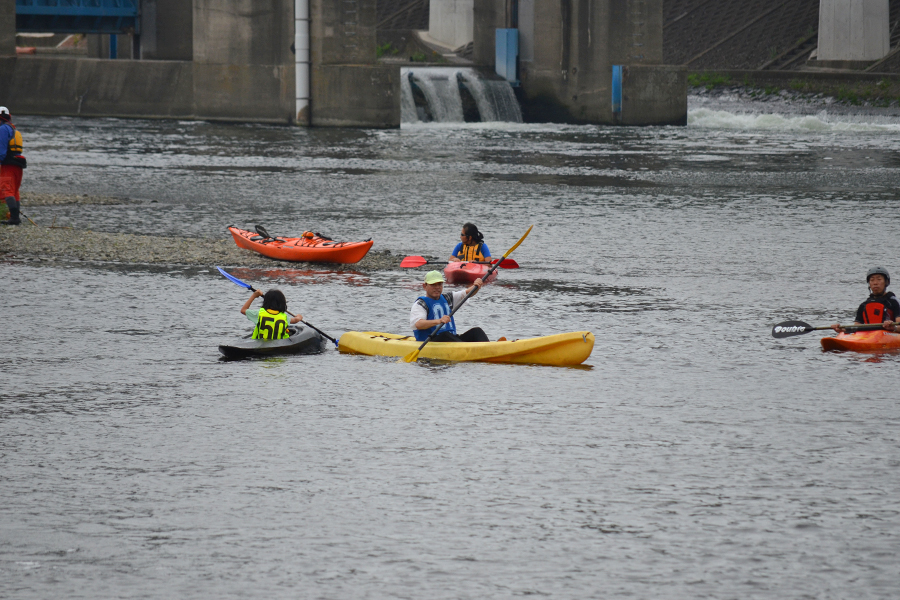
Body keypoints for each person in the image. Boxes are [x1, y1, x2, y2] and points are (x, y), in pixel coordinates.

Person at [411, 270, 490, 342]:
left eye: (439, 284)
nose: (437, 287)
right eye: (433, 285)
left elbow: (468, 293)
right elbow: (418, 324)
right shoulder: (421, 304)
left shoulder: (448, 298)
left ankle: (489, 348)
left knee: (476, 331)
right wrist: (439, 321)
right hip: (431, 342)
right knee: (445, 335)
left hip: (451, 339)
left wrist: (476, 285)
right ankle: (466, 350)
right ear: (425, 286)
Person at [831, 267, 900, 333]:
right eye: (872, 280)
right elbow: (856, 327)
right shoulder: (864, 305)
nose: (875, 283)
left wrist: (894, 327)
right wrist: (842, 329)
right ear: (869, 284)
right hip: (870, 336)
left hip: (890, 334)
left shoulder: (893, 302)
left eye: (879, 279)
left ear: (886, 282)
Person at [0, 107, 27, 226]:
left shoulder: (3, 129)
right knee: (14, 191)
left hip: (8, 165)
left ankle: (14, 218)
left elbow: (1, 150)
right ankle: (15, 218)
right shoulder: (12, 128)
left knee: (6, 189)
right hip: (18, 165)